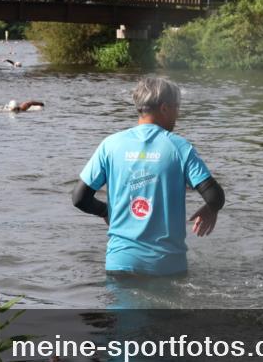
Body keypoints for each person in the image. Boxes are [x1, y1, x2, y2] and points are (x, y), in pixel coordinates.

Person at [72, 76, 225, 276]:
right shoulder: (180, 148)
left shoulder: (110, 145)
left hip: (120, 264)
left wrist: (106, 212)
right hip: (167, 267)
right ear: (164, 108)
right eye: (176, 108)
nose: (177, 115)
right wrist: (209, 210)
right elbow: (215, 196)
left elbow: (79, 198)